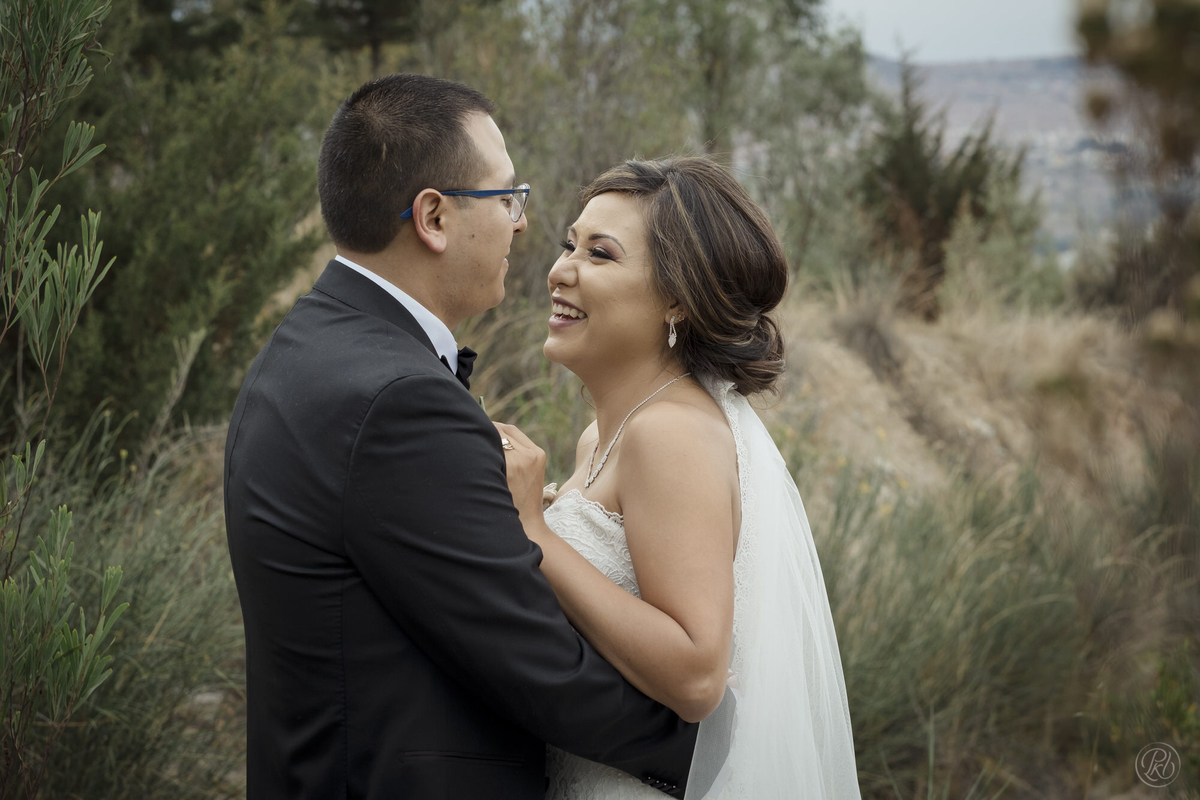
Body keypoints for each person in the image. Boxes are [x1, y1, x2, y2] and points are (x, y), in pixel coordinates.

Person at [223, 75, 698, 800]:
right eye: (507, 197)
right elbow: (538, 667)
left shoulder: (304, 347)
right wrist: (726, 753)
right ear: (434, 217)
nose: (520, 225)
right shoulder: (398, 402)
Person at [495, 157, 862, 799]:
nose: (560, 271)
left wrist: (537, 535)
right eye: (569, 244)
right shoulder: (602, 437)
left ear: (676, 299)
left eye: (601, 255)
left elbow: (697, 676)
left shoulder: (670, 434)